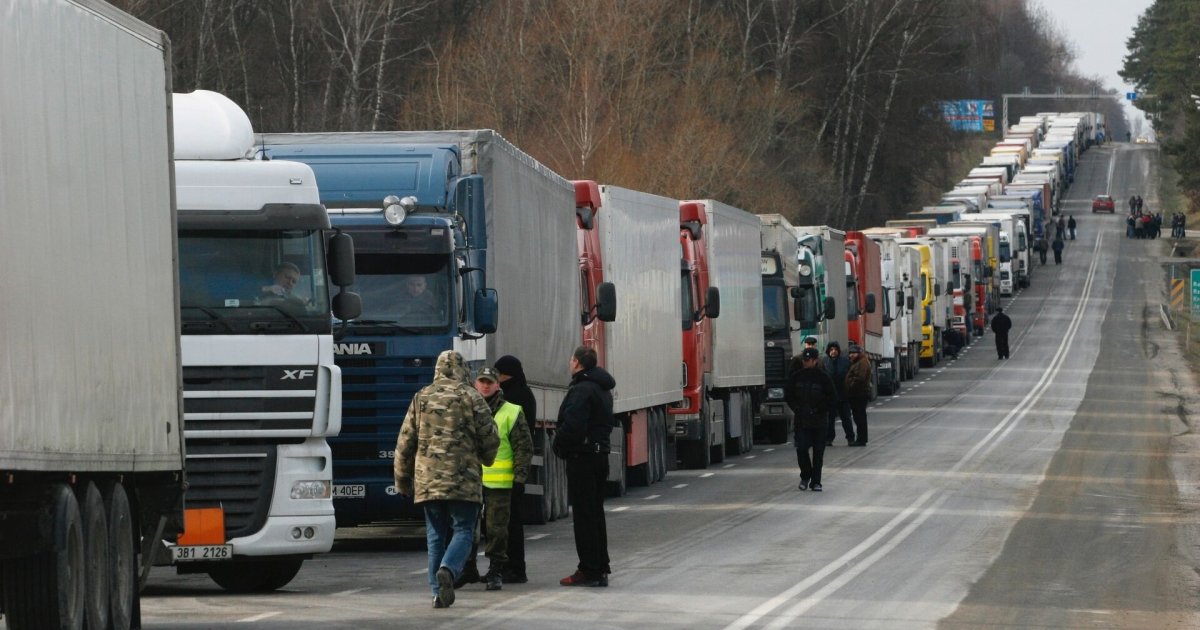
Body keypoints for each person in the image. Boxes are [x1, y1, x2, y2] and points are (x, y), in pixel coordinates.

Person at [394, 350, 499, 609]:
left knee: (435, 536)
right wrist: (487, 458)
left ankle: (437, 594)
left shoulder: (421, 397)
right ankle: (449, 569)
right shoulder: (472, 397)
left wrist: (403, 481)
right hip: (464, 480)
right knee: (463, 530)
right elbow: (490, 436)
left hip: (428, 481)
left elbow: (405, 442)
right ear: (464, 370)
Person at [457, 367, 533, 591]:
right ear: (475, 384)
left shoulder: (512, 411)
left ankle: (496, 570)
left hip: (500, 483)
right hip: (470, 481)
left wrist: (519, 478)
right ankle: (468, 567)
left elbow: (523, 447)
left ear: (498, 385)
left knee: (497, 530)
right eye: (482, 381)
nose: (486, 385)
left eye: (490, 382)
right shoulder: (465, 410)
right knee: (467, 528)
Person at [553, 346, 617, 587]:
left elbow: (573, 425)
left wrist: (559, 444)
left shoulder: (581, 390)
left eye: (571, 359)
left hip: (583, 457)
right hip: (600, 455)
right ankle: (600, 567)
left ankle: (589, 569)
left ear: (578, 363)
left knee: (584, 516)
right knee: (595, 513)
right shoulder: (602, 388)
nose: (570, 363)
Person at [493, 354, 536, 584]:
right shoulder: (525, 393)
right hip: (512, 469)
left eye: (498, 373)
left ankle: (514, 568)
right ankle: (511, 567)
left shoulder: (511, 397)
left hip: (508, 469)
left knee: (509, 523)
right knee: (510, 522)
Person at [785, 347, 836, 492]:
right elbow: (789, 395)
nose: (805, 362)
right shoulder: (797, 376)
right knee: (801, 449)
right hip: (802, 421)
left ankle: (816, 482)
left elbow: (832, 397)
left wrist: (819, 409)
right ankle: (805, 475)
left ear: (815, 361)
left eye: (808, 360)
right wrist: (797, 409)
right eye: (804, 360)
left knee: (818, 453)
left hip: (819, 421)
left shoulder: (823, 377)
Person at [821, 341, 854, 446]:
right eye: (831, 350)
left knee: (846, 418)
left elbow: (850, 375)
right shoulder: (824, 362)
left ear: (839, 351)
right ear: (828, 351)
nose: (833, 351)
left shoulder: (845, 361)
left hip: (843, 395)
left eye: (835, 349)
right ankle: (829, 439)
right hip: (830, 396)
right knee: (829, 420)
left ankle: (850, 438)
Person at [843, 344, 871, 447]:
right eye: (850, 353)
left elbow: (859, 378)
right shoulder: (858, 362)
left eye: (854, 353)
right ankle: (861, 438)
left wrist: (850, 386)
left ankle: (861, 439)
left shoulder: (862, 363)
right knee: (859, 417)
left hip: (859, 394)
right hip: (857, 394)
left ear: (859, 353)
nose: (851, 355)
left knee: (860, 418)